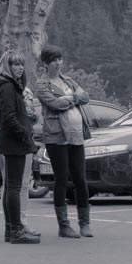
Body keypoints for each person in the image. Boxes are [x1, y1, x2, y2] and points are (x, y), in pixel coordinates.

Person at [36, 45, 93, 239]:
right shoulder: (42, 84)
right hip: (56, 137)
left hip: (77, 135)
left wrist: (71, 97)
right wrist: (73, 98)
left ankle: (85, 223)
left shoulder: (68, 80)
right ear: (46, 63)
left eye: (60, 59)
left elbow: (85, 97)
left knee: (80, 179)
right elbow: (55, 104)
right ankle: (64, 225)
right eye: (54, 60)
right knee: (61, 179)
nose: (58, 63)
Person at [0, 49, 40, 244]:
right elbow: (9, 118)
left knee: (11, 185)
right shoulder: (7, 87)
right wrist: (26, 137)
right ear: (7, 66)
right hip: (14, 142)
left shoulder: (6, 86)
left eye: (21, 64)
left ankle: (11, 229)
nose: (20, 68)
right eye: (15, 64)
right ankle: (16, 229)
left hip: (11, 140)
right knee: (15, 187)